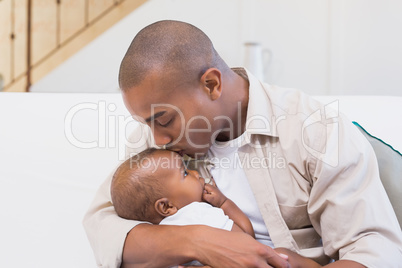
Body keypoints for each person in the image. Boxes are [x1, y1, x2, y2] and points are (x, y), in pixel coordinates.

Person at [83, 20, 402, 268]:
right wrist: (198, 241)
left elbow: (376, 251)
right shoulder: (156, 142)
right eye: (146, 123)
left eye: (164, 120)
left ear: (211, 84)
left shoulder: (315, 130)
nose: (157, 140)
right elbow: (105, 229)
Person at [110, 148, 320, 268]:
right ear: (166, 206)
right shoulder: (198, 213)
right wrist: (223, 203)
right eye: (185, 173)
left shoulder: (157, 235)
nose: (194, 174)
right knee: (283, 254)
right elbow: (245, 236)